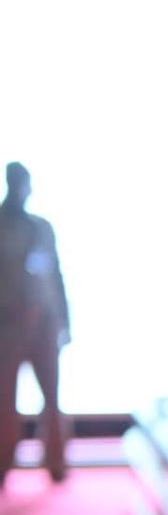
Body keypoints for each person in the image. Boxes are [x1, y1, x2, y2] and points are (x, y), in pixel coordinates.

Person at [0, 163, 71, 487]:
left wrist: (64, 321)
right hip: (8, 325)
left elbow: (55, 275)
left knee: (52, 397)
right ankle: (3, 461)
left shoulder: (42, 227)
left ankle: (55, 459)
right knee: (5, 399)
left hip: (44, 323)